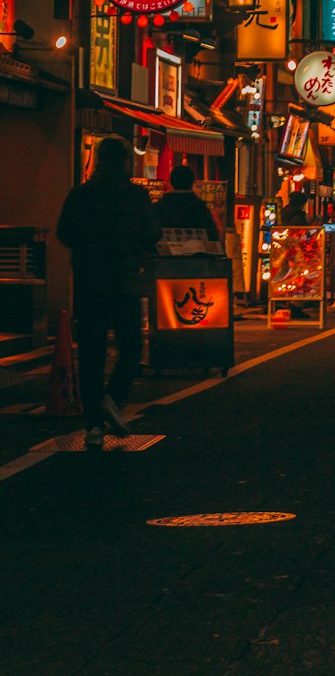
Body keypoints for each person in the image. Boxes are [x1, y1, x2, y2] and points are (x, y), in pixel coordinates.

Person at [56, 136, 159, 450]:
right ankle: (112, 400)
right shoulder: (136, 197)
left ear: (98, 160)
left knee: (91, 354)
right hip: (124, 284)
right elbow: (153, 234)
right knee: (131, 347)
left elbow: (65, 232)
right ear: (126, 161)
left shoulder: (81, 195)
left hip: (89, 285)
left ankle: (93, 426)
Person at [156, 165, 220, 241]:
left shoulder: (162, 204)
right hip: (196, 250)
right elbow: (212, 234)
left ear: (172, 181)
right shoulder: (198, 206)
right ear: (192, 182)